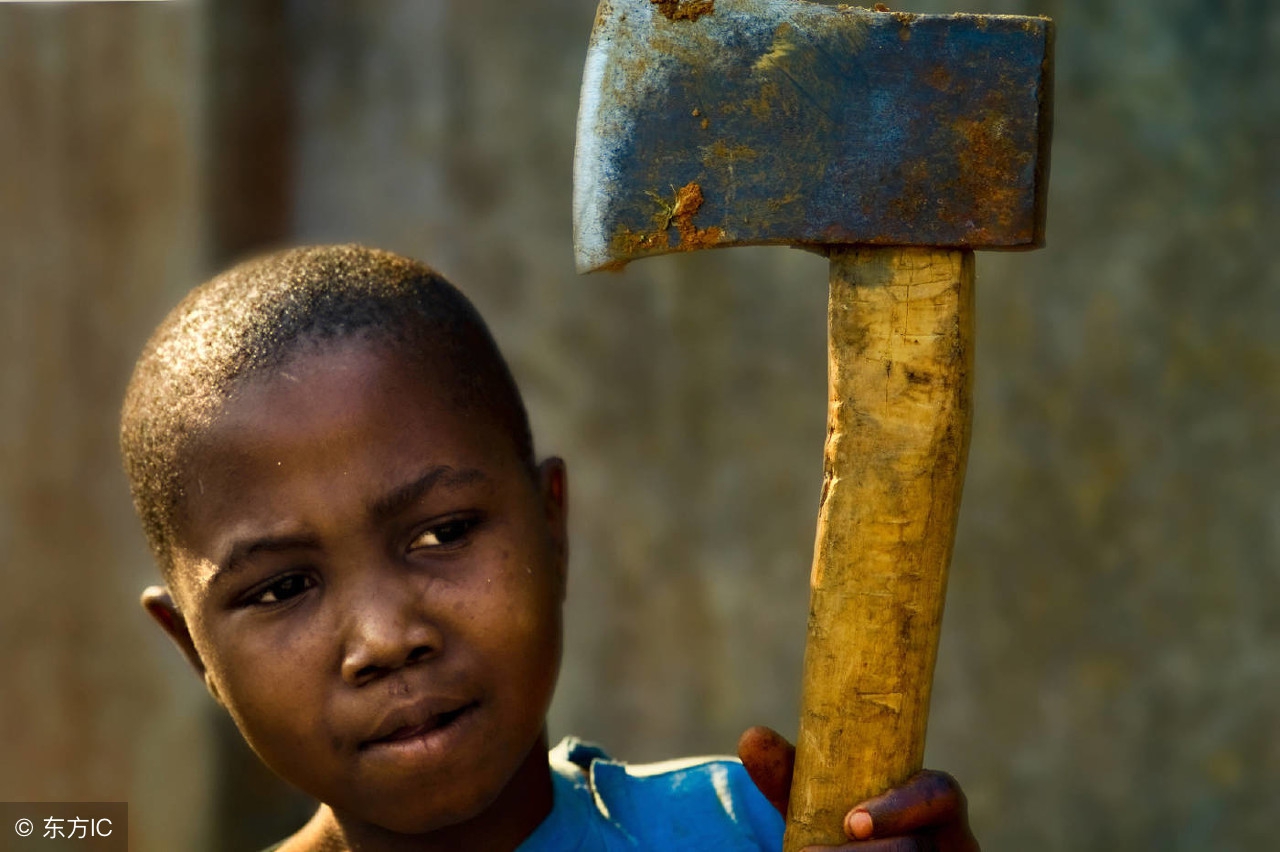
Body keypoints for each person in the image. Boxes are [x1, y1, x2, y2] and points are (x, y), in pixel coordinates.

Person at [121, 244, 978, 851]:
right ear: (195, 650)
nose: (386, 638)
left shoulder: (756, 831)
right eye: (282, 589)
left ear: (551, 525)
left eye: (442, 534)